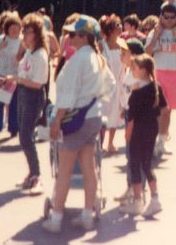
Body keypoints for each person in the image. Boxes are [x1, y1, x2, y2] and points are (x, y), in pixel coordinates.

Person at [42, 16, 116, 233]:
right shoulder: (97, 57)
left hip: (76, 119)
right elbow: (110, 85)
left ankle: (56, 219)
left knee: (64, 169)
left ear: (85, 37)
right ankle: (86, 215)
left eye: (73, 34)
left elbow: (69, 94)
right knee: (88, 167)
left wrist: (57, 120)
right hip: (92, 118)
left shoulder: (78, 60)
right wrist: (98, 102)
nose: (69, 37)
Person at [144, 2, 176, 155]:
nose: (169, 20)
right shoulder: (155, 31)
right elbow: (146, 52)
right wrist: (156, 36)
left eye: (172, 17)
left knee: (168, 111)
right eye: (166, 17)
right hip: (158, 74)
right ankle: (153, 141)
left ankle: (161, 142)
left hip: (174, 74)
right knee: (158, 110)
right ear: (161, 17)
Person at [119, 54, 166, 217]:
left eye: (135, 68)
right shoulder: (156, 86)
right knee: (147, 163)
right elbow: (163, 108)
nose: (133, 70)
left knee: (134, 162)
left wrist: (128, 132)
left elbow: (131, 115)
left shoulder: (137, 89)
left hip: (139, 128)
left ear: (143, 70)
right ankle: (155, 199)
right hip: (151, 127)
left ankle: (138, 201)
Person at [11, 14, 49, 195]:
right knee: (23, 135)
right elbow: (24, 75)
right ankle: (32, 172)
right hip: (23, 94)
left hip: (33, 96)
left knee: (26, 136)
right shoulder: (29, 52)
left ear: (37, 34)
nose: (24, 35)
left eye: (28, 32)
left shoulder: (40, 55)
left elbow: (38, 83)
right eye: (23, 31)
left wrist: (18, 79)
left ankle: (37, 175)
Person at [114, 37, 145, 206]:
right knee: (130, 155)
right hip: (128, 115)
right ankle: (131, 188)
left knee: (136, 156)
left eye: (124, 52)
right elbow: (125, 93)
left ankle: (138, 192)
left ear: (133, 56)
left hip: (137, 118)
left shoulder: (139, 75)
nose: (120, 55)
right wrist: (122, 108)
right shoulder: (126, 70)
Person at [100, 15, 127, 155]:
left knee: (116, 113)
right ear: (110, 29)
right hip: (104, 85)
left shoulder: (123, 43)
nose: (121, 27)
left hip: (119, 83)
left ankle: (110, 143)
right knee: (104, 113)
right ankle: (100, 143)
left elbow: (128, 63)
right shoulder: (101, 45)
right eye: (117, 25)